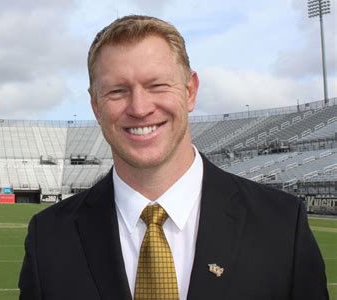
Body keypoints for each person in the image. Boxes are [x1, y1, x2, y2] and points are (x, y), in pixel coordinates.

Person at [18, 15, 328, 300]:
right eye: (117, 92)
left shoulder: (282, 225)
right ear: (96, 106)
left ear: (190, 91)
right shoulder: (48, 238)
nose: (139, 108)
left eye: (157, 85)